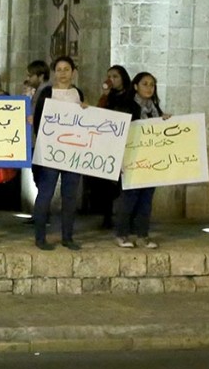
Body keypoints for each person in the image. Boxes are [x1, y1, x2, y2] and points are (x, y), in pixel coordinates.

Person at [32, 56, 86, 251]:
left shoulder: (77, 93)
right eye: (59, 69)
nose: (63, 73)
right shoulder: (47, 92)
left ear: (73, 72)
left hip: (73, 152)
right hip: (51, 151)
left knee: (70, 195)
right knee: (45, 194)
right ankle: (40, 237)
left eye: (67, 69)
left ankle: (67, 236)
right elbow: (39, 121)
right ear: (54, 72)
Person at [115, 71, 168, 249]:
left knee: (146, 199)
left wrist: (164, 121)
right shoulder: (126, 105)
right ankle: (122, 234)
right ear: (136, 86)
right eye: (145, 84)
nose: (149, 87)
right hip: (132, 159)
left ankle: (142, 234)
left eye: (152, 84)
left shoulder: (154, 108)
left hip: (150, 161)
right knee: (129, 198)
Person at [89, 65, 138, 229]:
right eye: (109, 76)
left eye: (115, 76)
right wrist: (104, 97)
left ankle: (129, 218)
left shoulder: (132, 97)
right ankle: (107, 216)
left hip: (127, 144)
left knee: (126, 183)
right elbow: (99, 114)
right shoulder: (108, 97)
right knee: (107, 185)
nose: (111, 80)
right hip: (109, 144)